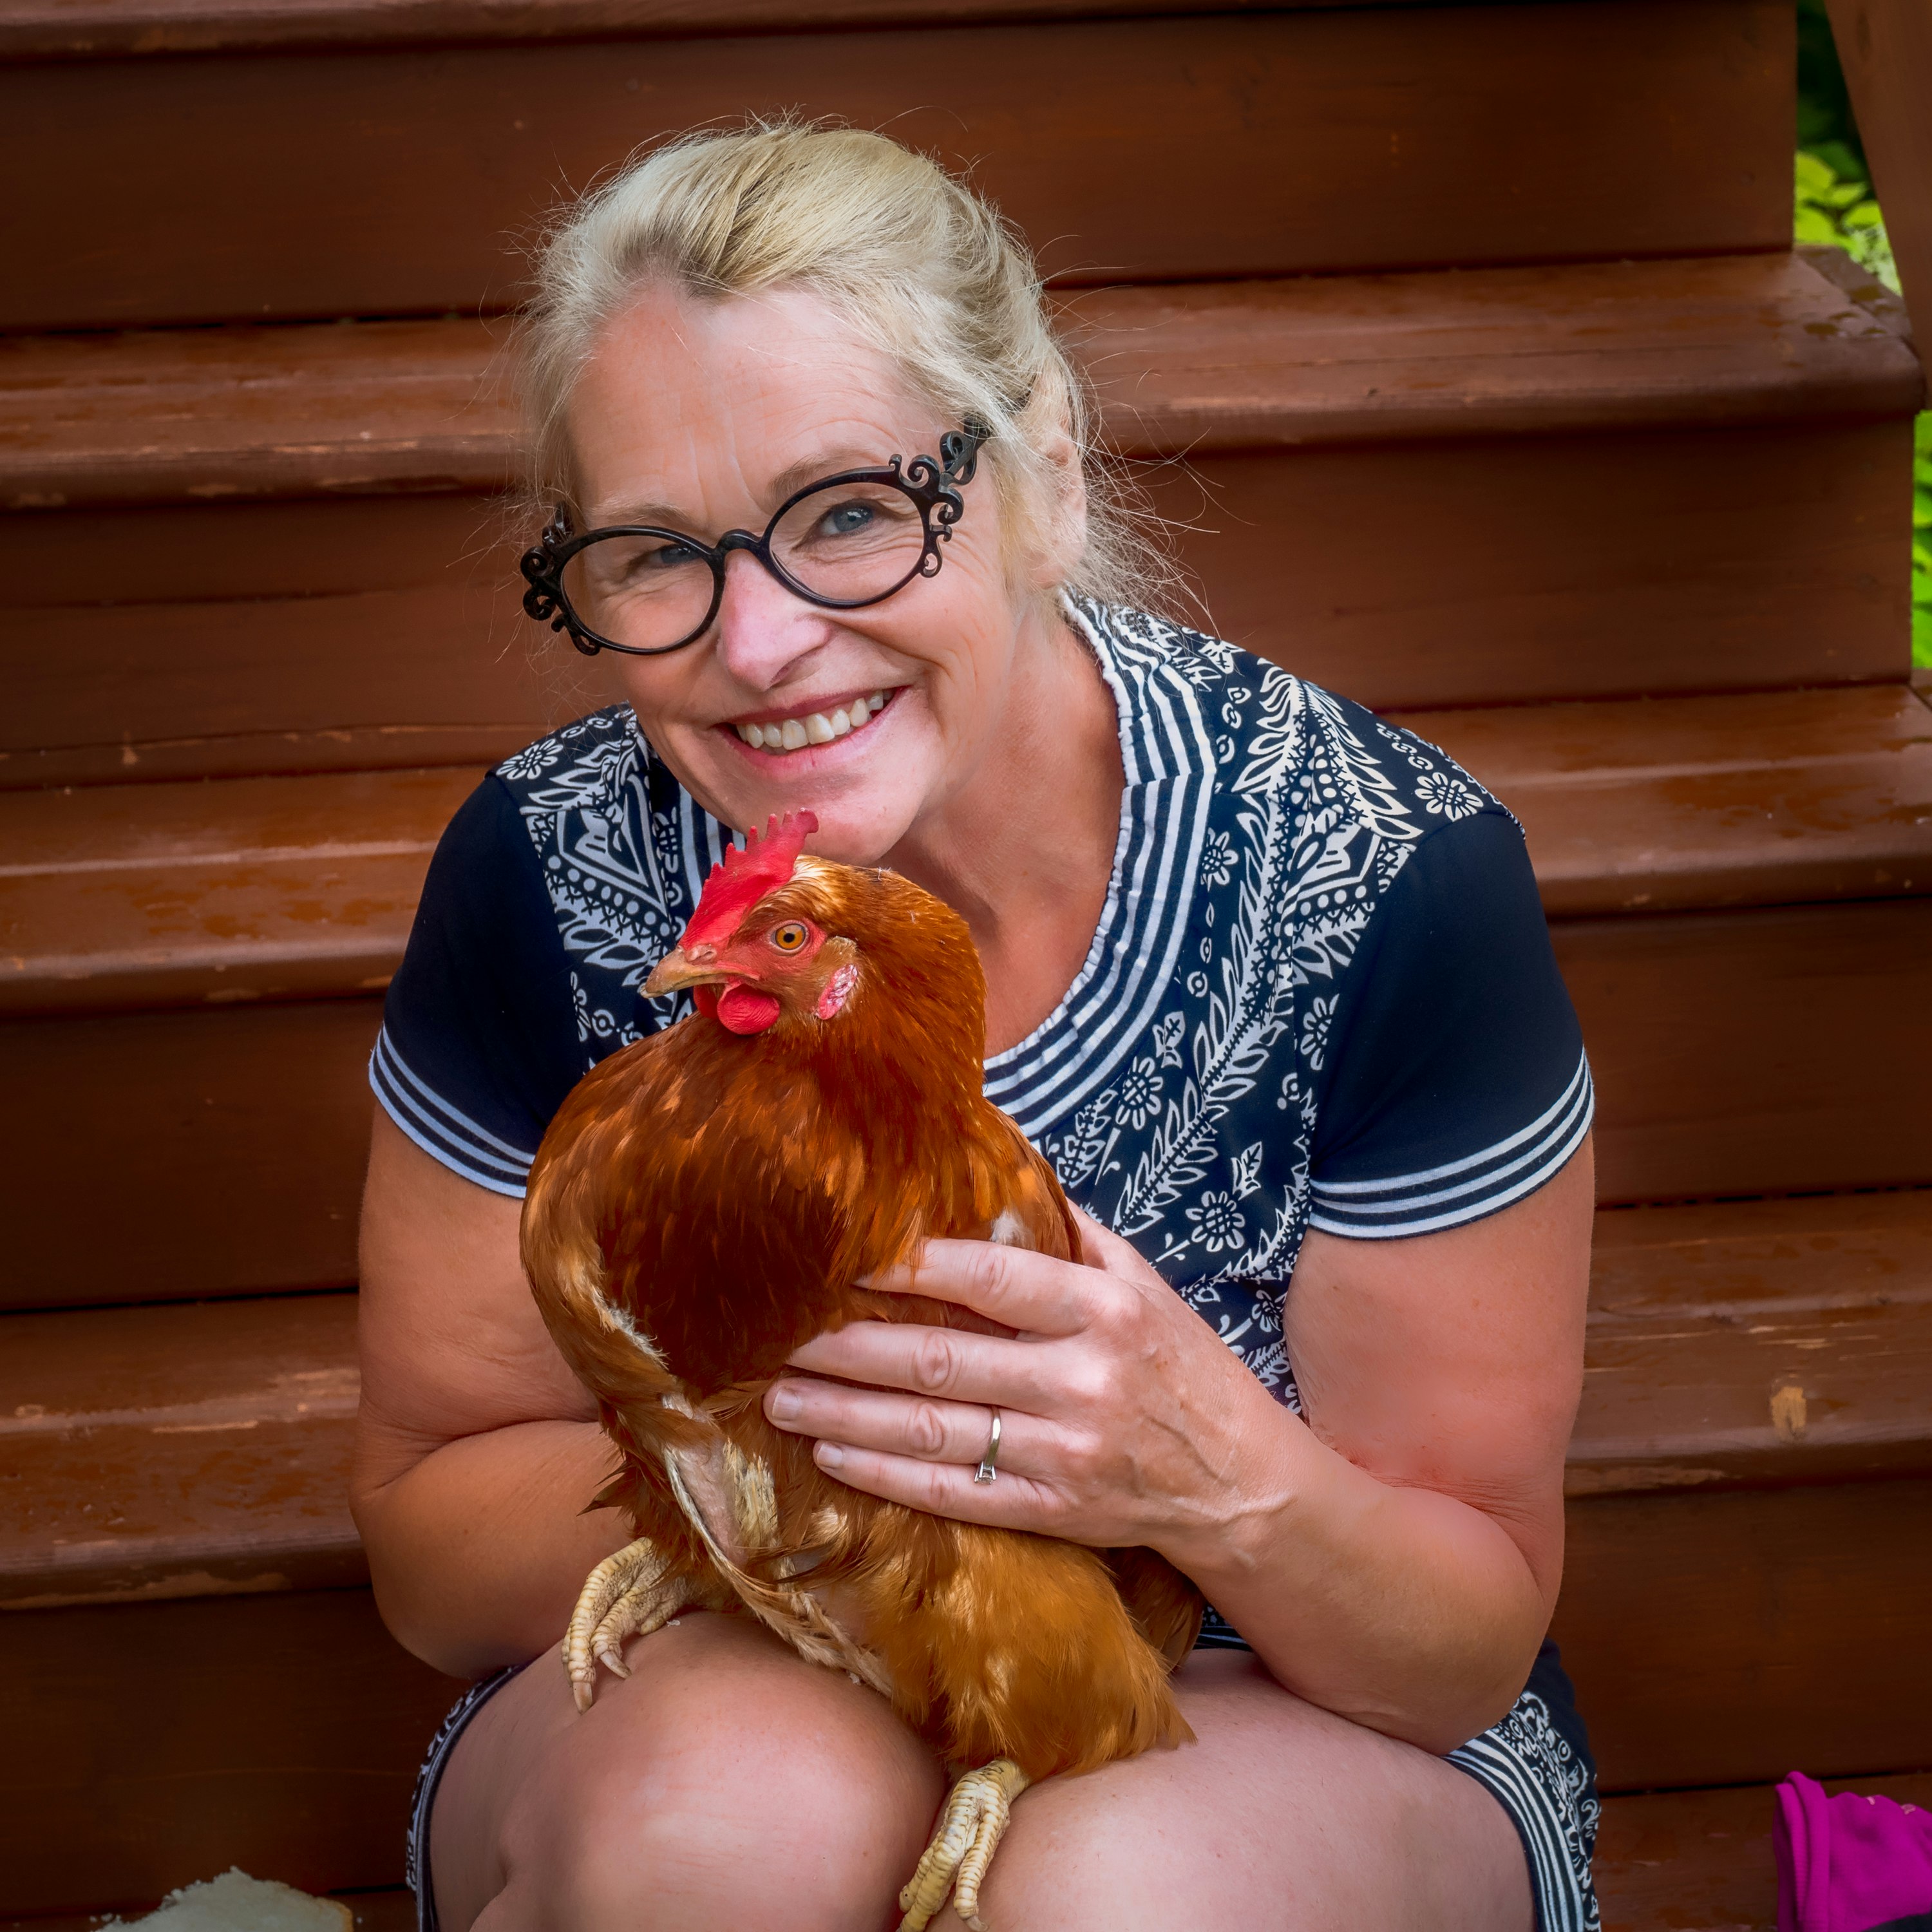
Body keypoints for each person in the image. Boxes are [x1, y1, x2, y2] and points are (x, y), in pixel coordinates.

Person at [350, 122, 1599, 1932]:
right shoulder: (555, 865)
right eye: (651, 554)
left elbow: (1458, 1644)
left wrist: (1211, 1473)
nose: (760, 644)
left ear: (1050, 473)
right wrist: (811, 1514)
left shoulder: (1383, 873)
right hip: (735, 1646)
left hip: (1289, 1699)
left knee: (1118, 1896)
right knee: (728, 1830)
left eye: (851, 511)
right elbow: (433, 1534)